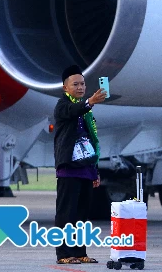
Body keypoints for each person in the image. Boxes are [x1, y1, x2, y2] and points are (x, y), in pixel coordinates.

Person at [54, 65, 107, 264]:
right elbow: (73, 110)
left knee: (82, 215)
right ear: (65, 88)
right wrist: (90, 102)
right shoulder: (63, 106)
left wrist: (95, 171)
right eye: (75, 84)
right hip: (69, 169)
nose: (80, 87)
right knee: (66, 213)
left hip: (85, 168)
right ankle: (64, 254)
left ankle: (79, 252)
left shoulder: (86, 113)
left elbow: (91, 142)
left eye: (83, 83)